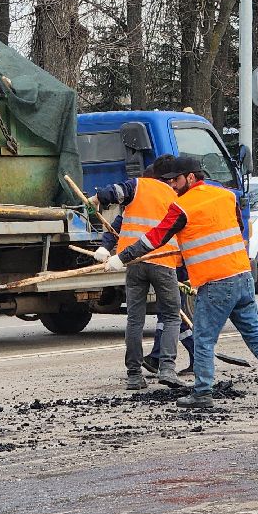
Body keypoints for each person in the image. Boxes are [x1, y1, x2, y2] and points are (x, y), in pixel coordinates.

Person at [105, 156, 258, 410]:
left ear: (191, 177)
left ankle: (202, 392)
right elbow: (237, 228)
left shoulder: (182, 206)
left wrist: (121, 257)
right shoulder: (227, 196)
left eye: (176, 180)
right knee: (253, 330)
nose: (172, 185)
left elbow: (154, 239)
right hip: (242, 275)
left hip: (215, 282)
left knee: (203, 338)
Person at [90, 155, 185, 390]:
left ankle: (134, 374)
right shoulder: (177, 195)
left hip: (133, 262)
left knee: (135, 319)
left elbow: (116, 217)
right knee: (171, 316)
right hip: (163, 262)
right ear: (171, 177)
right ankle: (167, 369)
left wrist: (105, 245)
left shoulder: (137, 187)